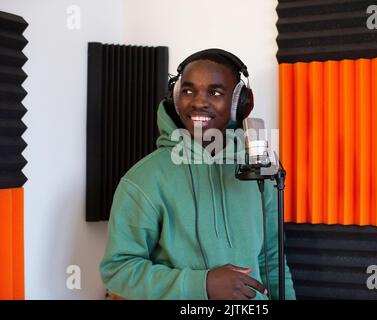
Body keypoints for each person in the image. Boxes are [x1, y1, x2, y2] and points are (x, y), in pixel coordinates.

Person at [99, 48, 296, 300]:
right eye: (188, 90)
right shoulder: (143, 180)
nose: (199, 101)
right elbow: (119, 271)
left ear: (239, 104)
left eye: (215, 92)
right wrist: (201, 284)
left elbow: (273, 260)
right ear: (175, 97)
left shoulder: (259, 172)